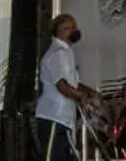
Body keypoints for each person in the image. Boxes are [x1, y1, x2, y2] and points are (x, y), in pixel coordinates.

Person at [37, 13, 97, 161]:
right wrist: (84, 98)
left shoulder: (67, 52)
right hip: (53, 118)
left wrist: (91, 93)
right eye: (68, 28)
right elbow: (62, 86)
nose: (73, 31)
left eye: (74, 27)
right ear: (59, 32)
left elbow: (74, 84)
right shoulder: (56, 54)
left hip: (65, 120)